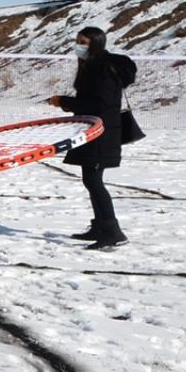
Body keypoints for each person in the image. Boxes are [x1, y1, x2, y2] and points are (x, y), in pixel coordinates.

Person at [49, 26, 136, 251]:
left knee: (95, 181)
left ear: (96, 43)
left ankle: (113, 231)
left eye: (83, 41)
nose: (79, 45)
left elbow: (100, 104)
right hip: (90, 129)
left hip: (102, 132)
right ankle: (99, 226)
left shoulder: (103, 69)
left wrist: (64, 102)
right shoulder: (93, 66)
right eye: (78, 40)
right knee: (90, 179)